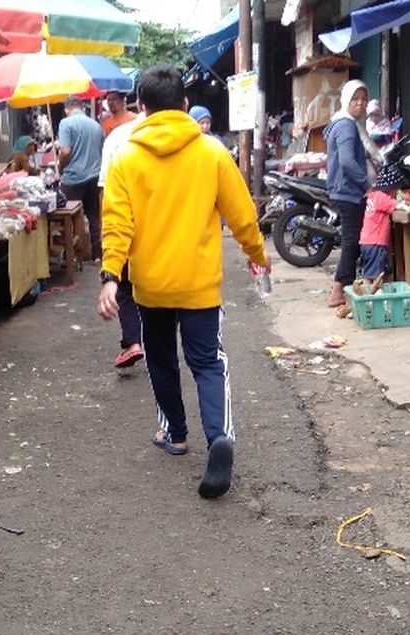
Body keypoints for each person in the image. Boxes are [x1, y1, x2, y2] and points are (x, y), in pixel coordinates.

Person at [97, 65, 268, 499]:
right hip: (199, 286)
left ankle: (174, 434)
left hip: (151, 286)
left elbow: (117, 224)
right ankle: (219, 438)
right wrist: (258, 256)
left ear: (141, 107)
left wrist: (110, 276)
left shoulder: (125, 157)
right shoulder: (211, 152)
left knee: (160, 359)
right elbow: (242, 213)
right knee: (208, 362)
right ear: (185, 106)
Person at [98, 111, 146, 370]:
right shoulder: (201, 144)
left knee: (126, 287)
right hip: (168, 234)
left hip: (127, 227)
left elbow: (106, 192)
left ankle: (134, 342)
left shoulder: (117, 139)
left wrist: (109, 273)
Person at [324, 80, 375, 308]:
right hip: (349, 192)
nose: (360, 103)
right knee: (351, 243)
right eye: (355, 99)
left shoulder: (341, 122)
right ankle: (337, 291)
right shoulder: (346, 125)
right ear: (346, 100)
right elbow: (347, 161)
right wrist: (367, 185)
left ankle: (341, 289)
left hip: (343, 191)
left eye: (364, 99)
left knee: (351, 242)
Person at [58, 97, 105, 262]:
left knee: (67, 217)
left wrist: (60, 168)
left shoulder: (66, 123)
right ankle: (97, 254)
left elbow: (65, 151)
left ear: (66, 109)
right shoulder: (96, 125)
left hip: (73, 177)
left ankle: (73, 254)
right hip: (94, 176)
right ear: (81, 107)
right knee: (93, 215)